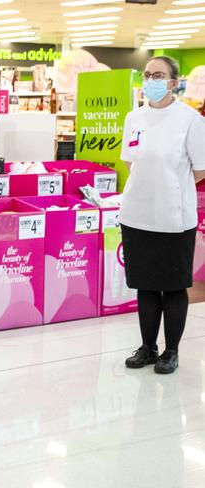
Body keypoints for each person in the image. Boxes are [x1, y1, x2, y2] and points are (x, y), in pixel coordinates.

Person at [120, 55, 205, 374]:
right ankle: (147, 347)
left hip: (173, 218)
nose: (151, 80)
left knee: (172, 286)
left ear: (173, 82)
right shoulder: (134, 118)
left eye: (158, 75)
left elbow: (200, 169)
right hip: (137, 216)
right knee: (145, 285)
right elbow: (131, 162)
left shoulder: (190, 120)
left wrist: (172, 187)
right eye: (147, 74)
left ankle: (171, 351)